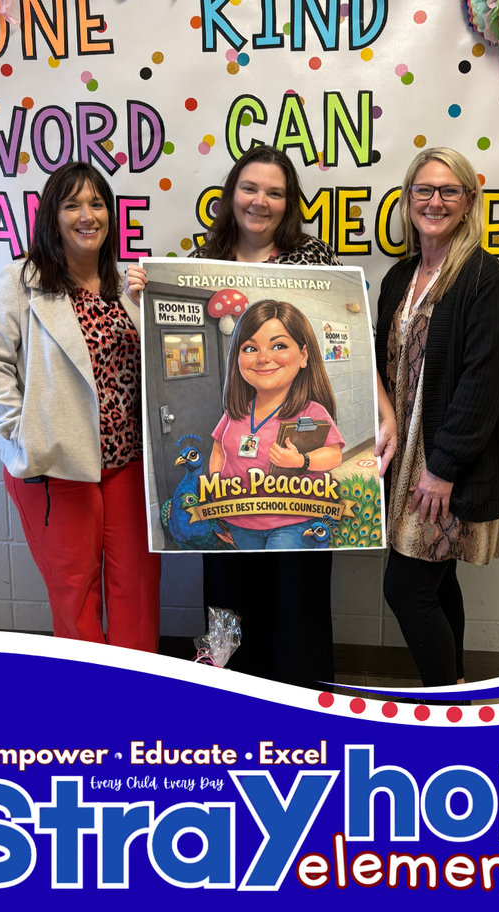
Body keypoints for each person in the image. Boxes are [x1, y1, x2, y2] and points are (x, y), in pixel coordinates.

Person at [127, 145, 341, 686]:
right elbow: (156, 339)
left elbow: (345, 346)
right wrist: (142, 300)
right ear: (231, 195)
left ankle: (302, 699)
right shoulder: (200, 261)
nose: (260, 201)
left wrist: (375, 418)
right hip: (234, 502)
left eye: (275, 191)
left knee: (297, 595)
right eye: (250, 188)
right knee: (228, 597)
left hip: (295, 506)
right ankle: (231, 695)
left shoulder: (313, 258)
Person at [0, 161, 161, 649]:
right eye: (72, 204)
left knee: (137, 587)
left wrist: (149, 307)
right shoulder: (20, 281)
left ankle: (141, 693)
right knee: (75, 593)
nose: (86, 215)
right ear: (51, 216)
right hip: (55, 466)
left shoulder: (126, 287)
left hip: (127, 463)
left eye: (97, 203)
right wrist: (21, 430)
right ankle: (89, 704)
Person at [373, 147, 499, 687]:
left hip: (444, 463)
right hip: (405, 453)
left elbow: (482, 383)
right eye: (423, 190)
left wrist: (443, 467)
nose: (435, 201)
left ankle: (442, 706)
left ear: (468, 201)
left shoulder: (483, 276)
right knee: (436, 582)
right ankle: (457, 693)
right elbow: (380, 362)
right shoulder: (399, 276)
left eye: (448, 191)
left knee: (406, 589)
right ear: (408, 198)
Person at [210, 299, 345, 549]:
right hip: (239, 521)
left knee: (286, 582)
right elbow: (218, 448)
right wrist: (216, 484)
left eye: (278, 345)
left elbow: (334, 455)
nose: (262, 358)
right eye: (249, 348)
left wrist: (301, 461)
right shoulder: (235, 412)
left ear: (303, 355)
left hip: (293, 521)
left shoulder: (311, 413)